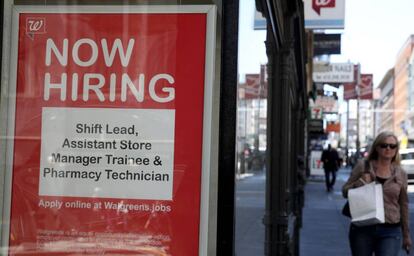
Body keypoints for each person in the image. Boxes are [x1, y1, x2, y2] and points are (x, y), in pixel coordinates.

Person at [342, 131, 411, 256]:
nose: (388, 148)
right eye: (384, 145)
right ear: (377, 148)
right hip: (363, 228)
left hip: (391, 229)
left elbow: (404, 205)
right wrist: (361, 182)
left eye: (392, 146)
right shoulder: (363, 166)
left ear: (396, 149)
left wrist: (406, 234)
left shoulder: (401, 174)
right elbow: (345, 191)